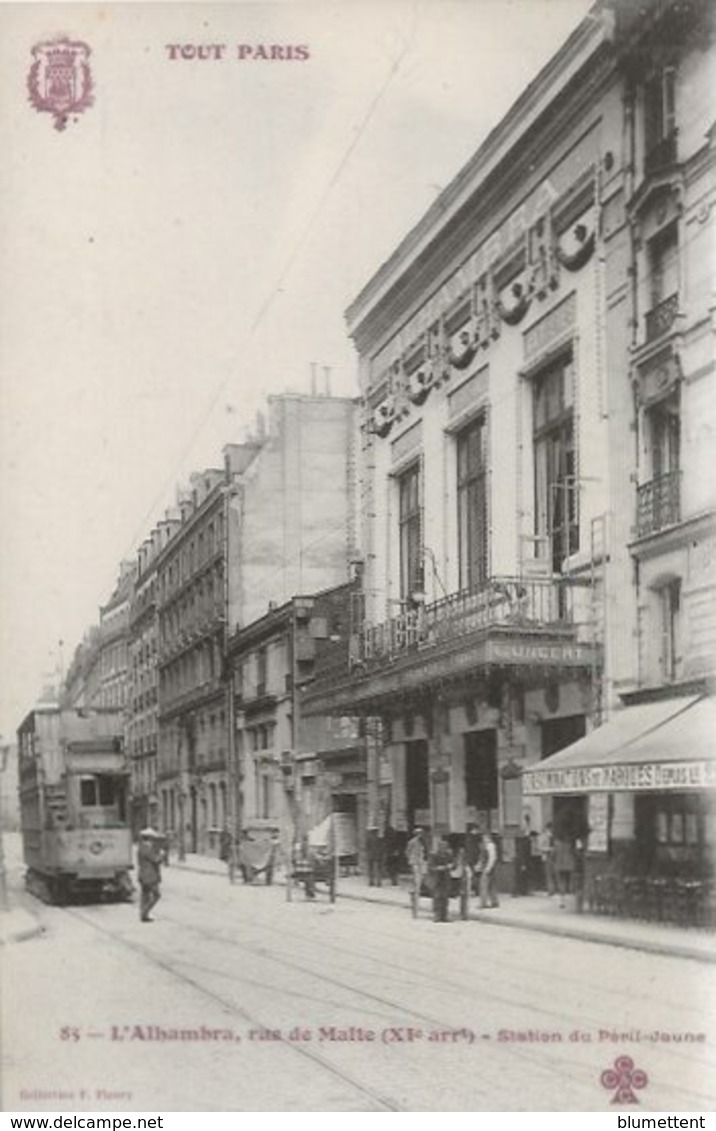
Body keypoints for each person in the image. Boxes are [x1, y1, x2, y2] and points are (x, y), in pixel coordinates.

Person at [137, 827, 163, 923]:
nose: (154, 840)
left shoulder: (142, 847)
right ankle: (145, 912)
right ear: (148, 838)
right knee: (156, 895)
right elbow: (156, 860)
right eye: (152, 838)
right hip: (150, 876)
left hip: (143, 875)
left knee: (145, 895)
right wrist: (161, 855)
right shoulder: (147, 849)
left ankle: (144, 915)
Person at [429, 835, 454, 922]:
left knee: (445, 897)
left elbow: (452, 864)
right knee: (437, 897)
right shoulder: (434, 855)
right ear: (439, 848)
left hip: (446, 878)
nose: (444, 849)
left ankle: (444, 915)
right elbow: (431, 867)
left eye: (445, 847)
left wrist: (451, 866)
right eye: (442, 848)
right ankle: (437, 915)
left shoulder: (448, 855)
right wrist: (440, 868)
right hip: (437, 878)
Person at [479, 832, 499, 909]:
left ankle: (483, 903)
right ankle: (494, 902)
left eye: (484, 837)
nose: (483, 839)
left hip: (488, 868)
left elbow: (492, 858)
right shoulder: (487, 846)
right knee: (491, 885)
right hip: (489, 868)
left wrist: (488, 868)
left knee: (484, 885)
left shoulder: (490, 846)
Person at [554, 834, 575, 909]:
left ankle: (562, 900)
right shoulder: (570, 843)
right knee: (570, 880)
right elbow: (574, 852)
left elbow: (554, 854)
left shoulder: (556, 843)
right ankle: (571, 897)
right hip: (569, 863)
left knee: (561, 881)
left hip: (559, 863)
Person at [406, 826, 427, 898]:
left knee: (421, 875)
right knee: (416, 875)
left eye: (421, 833)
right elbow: (408, 851)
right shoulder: (412, 842)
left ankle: (418, 888)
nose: (420, 835)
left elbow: (424, 851)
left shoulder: (423, 842)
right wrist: (410, 858)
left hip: (421, 860)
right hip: (414, 860)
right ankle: (416, 889)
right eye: (419, 833)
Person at [538, 821, 556, 896]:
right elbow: (540, 847)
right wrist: (549, 849)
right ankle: (551, 889)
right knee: (549, 874)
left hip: (555, 856)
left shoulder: (554, 836)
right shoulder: (544, 836)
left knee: (554, 873)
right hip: (547, 856)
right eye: (550, 828)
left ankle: (553, 888)